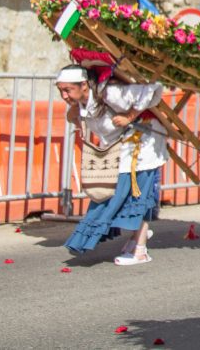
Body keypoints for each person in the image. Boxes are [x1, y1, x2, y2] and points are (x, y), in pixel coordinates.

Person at [56, 63, 166, 265]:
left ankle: (140, 251)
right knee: (121, 193)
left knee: (132, 193)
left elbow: (152, 88)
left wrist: (129, 116)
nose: (64, 95)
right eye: (61, 90)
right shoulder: (81, 102)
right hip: (121, 147)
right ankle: (135, 241)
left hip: (142, 143)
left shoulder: (111, 92)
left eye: (67, 90)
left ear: (84, 85)